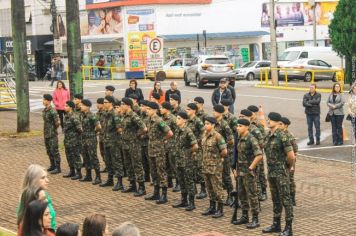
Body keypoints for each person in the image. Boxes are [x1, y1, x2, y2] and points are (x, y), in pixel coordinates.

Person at [262, 112, 295, 236]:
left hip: (281, 172)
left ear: (278, 122)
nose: (268, 121)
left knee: (286, 200)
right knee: (275, 199)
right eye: (268, 119)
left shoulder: (282, 136)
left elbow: (291, 156)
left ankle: (288, 227)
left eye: (271, 120)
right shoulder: (268, 135)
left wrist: (288, 167)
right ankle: (276, 224)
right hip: (271, 172)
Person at [232, 119, 263, 229]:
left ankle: (255, 219)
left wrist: (251, 168)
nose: (237, 128)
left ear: (246, 127)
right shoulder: (240, 138)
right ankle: (245, 216)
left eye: (240, 126)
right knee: (242, 194)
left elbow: (259, 155)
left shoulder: (251, 139)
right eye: (237, 126)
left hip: (248, 173)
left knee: (252, 195)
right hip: (240, 172)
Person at [145, 101, 173, 204]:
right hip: (151, 149)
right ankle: (156, 193)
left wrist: (162, 140)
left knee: (161, 171)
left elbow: (170, 133)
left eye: (148, 109)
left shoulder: (159, 121)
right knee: (153, 171)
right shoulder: (149, 120)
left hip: (159, 150)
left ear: (154, 110)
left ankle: (164, 195)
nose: (147, 111)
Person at [201, 116, 227, 219]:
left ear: (213, 125)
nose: (205, 125)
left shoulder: (218, 136)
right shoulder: (204, 134)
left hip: (215, 167)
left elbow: (224, 151)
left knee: (217, 188)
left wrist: (217, 159)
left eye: (207, 124)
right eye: (205, 123)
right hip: (206, 166)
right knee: (209, 187)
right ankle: (212, 207)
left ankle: (220, 209)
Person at [120, 98, 147, 196]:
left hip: (133, 144)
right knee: (128, 165)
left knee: (137, 165)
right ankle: (132, 185)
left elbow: (144, 128)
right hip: (125, 144)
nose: (121, 106)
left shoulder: (133, 116)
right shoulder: (124, 115)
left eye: (122, 104)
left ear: (128, 105)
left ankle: (141, 187)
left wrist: (138, 135)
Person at [17, 165, 56, 232]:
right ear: (34, 180)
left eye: (46, 177)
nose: (47, 180)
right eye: (43, 178)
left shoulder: (44, 194)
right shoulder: (31, 196)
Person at [172, 112, 198, 211]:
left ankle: (192, 202)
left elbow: (195, 146)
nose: (176, 120)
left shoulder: (188, 131)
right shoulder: (177, 130)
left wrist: (187, 152)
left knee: (189, 181)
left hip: (187, 161)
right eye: (177, 118)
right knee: (181, 180)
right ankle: (184, 200)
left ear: (184, 120)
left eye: (178, 118)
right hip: (178, 160)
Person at [100, 96, 124, 190]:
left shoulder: (115, 114)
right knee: (108, 161)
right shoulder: (105, 114)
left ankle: (120, 182)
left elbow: (120, 129)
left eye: (105, 102)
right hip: (106, 141)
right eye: (104, 102)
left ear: (111, 103)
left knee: (117, 161)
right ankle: (110, 180)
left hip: (114, 142)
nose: (104, 104)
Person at [212, 104, 234, 206]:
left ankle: (230, 195)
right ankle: (219, 195)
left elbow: (231, 140)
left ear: (220, 113)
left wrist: (222, 146)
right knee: (217, 176)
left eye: (215, 111)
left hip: (224, 154)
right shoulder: (213, 123)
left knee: (226, 175)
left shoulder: (224, 124)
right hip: (215, 154)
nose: (213, 113)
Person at [186, 103, 206, 200]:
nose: (187, 111)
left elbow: (204, 132)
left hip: (197, 148)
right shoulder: (187, 121)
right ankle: (193, 189)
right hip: (189, 148)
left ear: (194, 110)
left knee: (199, 168)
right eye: (187, 109)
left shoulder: (198, 121)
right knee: (191, 168)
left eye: (189, 109)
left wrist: (197, 141)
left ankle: (203, 190)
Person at [247, 105, 268, 201]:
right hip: (249, 153)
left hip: (257, 152)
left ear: (254, 114)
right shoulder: (246, 124)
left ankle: (263, 191)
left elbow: (262, 140)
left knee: (260, 173)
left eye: (251, 113)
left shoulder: (259, 125)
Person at [80, 99, 102, 184]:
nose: (81, 106)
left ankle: (98, 177)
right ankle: (88, 175)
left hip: (91, 139)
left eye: (82, 105)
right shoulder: (83, 115)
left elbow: (99, 127)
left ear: (87, 106)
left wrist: (94, 132)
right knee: (86, 157)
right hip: (84, 139)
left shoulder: (92, 116)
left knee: (93, 157)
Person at [160, 102, 180, 192]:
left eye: (161, 108)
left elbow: (178, 131)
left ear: (166, 109)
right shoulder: (162, 118)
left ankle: (179, 183)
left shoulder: (173, 118)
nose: (160, 109)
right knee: (166, 164)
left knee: (174, 164)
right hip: (165, 145)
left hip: (172, 145)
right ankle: (169, 181)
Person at [280, 117, 298, 206]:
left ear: (286, 125)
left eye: (281, 124)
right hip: (282, 161)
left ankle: (292, 198)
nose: (279, 126)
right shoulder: (280, 134)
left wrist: (292, 164)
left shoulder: (289, 135)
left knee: (290, 180)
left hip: (290, 161)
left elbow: (295, 149)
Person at [62, 101, 83, 180]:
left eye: (66, 106)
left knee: (76, 156)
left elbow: (80, 129)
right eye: (65, 105)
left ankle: (79, 173)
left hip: (74, 140)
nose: (65, 107)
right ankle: (72, 171)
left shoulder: (74, 117)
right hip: (67, 140)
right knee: (69, 156)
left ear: (71, 107)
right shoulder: (66, 116)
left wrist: (76, 137)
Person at [42, 94, 61, 174]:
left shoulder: (52, 111)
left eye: (44, 100)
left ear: (48, 101)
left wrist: (53, 129)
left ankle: (58, 167)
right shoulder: (45, 110)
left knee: (54, 151)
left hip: (52, 134)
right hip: (46, 133)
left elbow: (57, 123)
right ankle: (52, 165)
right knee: (49, 150)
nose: (43, 101)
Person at [96, 98, 107, 173]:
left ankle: (110, 166)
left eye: (98, 103)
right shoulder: (98, 113)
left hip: (106, 136)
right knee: (102, 152)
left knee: (107, 152)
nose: (97, 105)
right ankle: (107, 165)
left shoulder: (105, 113)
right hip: (101, 136)